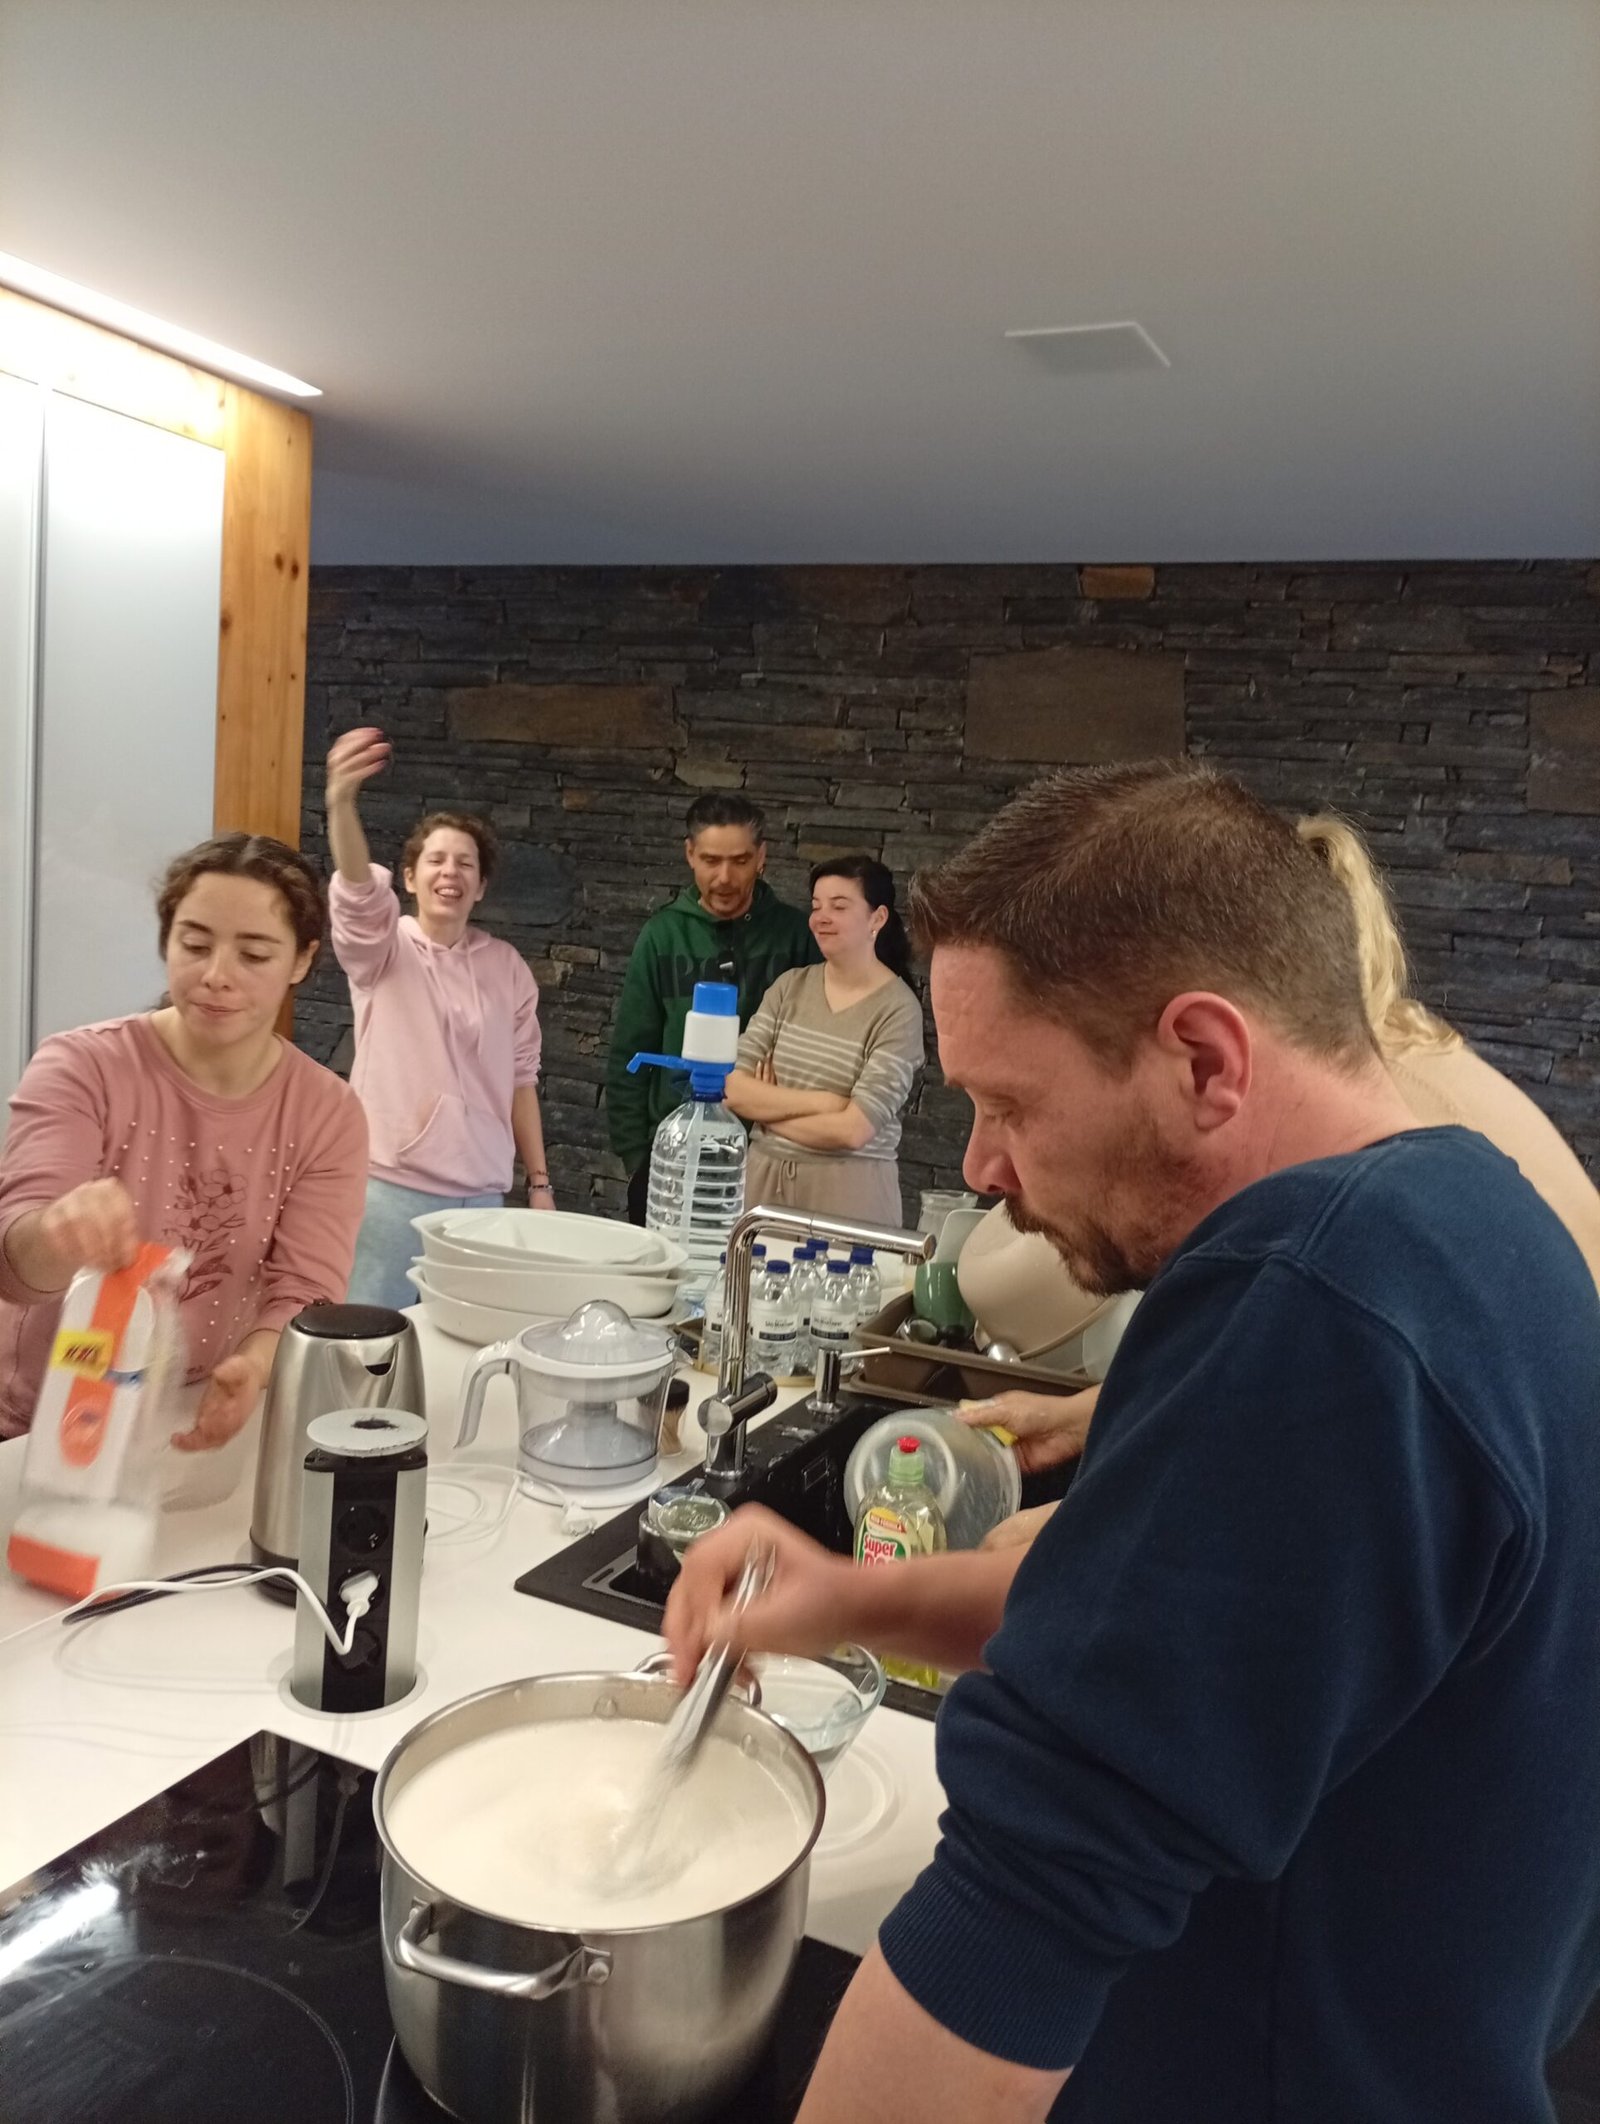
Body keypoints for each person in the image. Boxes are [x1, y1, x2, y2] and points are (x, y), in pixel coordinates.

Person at [666, 761, 1600, 2124]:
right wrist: (852, 1602)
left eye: (1010, 1105)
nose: (981, 1167)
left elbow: (1026, 1911)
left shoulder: (1309, 1304)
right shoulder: (1480, 1220)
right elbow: (1163, 1625)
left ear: (1204, 1061)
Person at [968, 807, 1600, 1549]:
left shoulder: (1369, 1144)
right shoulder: (1389, 1076)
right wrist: (1087, 1416)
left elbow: (1331, 1427)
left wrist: (1069, 1536)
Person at [0, 834, 367, 1447]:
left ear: (302, 961)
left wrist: (254, 1367)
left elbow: (305, 1288)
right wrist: (57, 1233)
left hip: (184, 1416)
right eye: (195, 945)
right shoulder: (82, 1067)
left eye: (254, 955)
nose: (217, 976)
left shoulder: (328, 1113)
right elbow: (15, 1268)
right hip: (31, 1422)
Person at [324, 727, 552, 1311]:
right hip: (389, 1192)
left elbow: (521, 1079)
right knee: (369, 1339)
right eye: (436, 860)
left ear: (481, 887)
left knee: (459, 1343)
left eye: (466, 864)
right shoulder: (383, 950)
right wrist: (341, 802)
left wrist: (540, 1183)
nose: (451, 872)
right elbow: (356, 894)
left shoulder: (507, 967)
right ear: (409, 877)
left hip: (482, 1201)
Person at [604, 792, 815, 1224]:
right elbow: (631, 1049)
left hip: (771, 1158)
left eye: (740, 861)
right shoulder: (662, 934)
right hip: (671, 1157)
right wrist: (636, 1158)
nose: (724, 877)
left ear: (761, 857)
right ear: (690, 854)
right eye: (710, 860)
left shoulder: (796, 935)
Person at [724, 856, 923, 1225]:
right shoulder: (789, 986)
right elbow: (733, 1088)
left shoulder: (898, 1009)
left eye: (839, 906)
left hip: (850, 1197)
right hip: (763, 1190)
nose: (821, 918)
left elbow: (853, 1130)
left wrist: (767, 1113)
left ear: (877, 918)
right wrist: (825, 1103)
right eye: (816, 906)